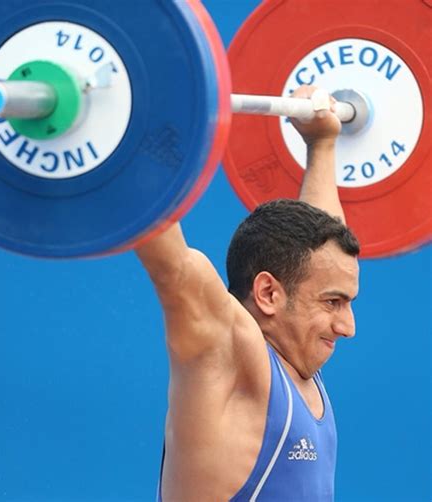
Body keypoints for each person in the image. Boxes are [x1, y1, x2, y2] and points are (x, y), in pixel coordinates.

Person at [136, 85, 360, 502]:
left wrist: (322, 144)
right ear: (268, 293)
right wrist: (132, 137)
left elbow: (323, 246)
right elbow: (174, 269)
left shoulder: (297, 361)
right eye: (333, 303)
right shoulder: (227, 359)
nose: (348, 327)